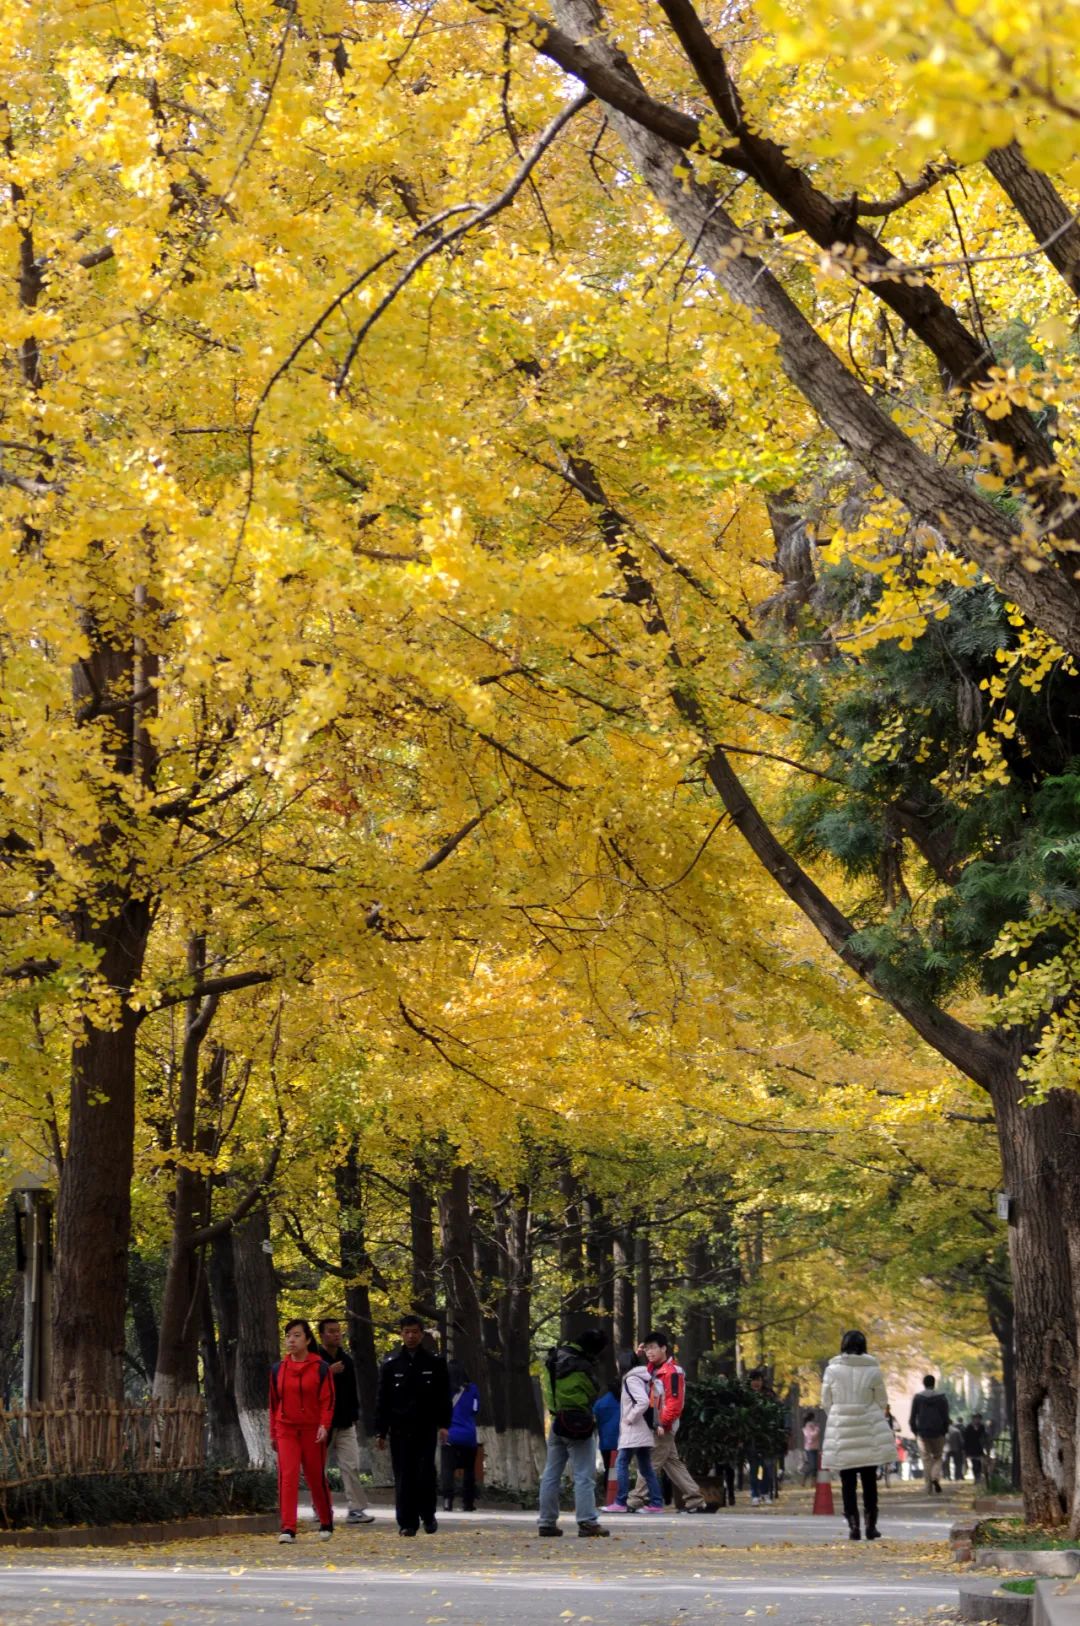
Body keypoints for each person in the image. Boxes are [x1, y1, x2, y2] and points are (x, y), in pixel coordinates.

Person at [374, 1314, 452, 1537]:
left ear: (421, 1334)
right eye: (407, 1332)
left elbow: (442, 1397)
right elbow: (383, 1400)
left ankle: (428, 1515)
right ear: (401, 1333)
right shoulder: (391, 1364)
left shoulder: (434, 1362)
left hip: (425, 1427)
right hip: (399, 1429)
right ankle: (407, 1522)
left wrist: (444, 1425)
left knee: (425, 1473)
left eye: (415, 1332)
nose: (411, 1336)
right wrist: (380, 1430)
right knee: (404, 1475)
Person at [820, 1329, 898, 1541]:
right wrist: (870, 1412)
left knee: (847, 1482)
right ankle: (871, 1526)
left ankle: (853, 1527)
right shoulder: (873, 1370)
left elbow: (825, 1401)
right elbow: (882, 1401)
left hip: (842, 1427)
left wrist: (837, 1414)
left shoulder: (832, 1370)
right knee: (869, 1481)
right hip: (868, 1427)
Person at [537, 1327, 610, 1538]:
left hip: (557, 1421)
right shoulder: (581, 1365)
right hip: (579, 1424)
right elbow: (591, 1390)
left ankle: (546, 1522)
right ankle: (587, 1521)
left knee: (551, 1474)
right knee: (584, 1476)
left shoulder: (553, 1358)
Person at [627, 1331, 711, 1513]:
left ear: (664, 1348)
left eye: (653, 1348)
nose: (649, 1352)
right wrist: (637, 1356)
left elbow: (674, 1403)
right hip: (656, 1425)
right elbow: (632, 1375)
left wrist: (662, 1424)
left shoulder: (672, 1372)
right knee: (673, 1463)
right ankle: (695, 1500)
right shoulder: (651, 1369)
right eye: (647, 1348)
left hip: (663, 1426)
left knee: (649, 1462)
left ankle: (635, 1500)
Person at [269, 1318, 336, 1544]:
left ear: (307, 1339)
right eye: (288, 1336)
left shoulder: (321, 1368)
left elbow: (328, 1401)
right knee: (287, 1476)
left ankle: (326, 1520)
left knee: (315, 1476)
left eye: (297, 1335)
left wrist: (324, 1426)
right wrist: (272, 1433)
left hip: (312, 1430)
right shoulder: (278, 1369)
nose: (291, 1340)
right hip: (285, 1428)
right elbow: (273, 1403)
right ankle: (288, 1527)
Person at [317, 1317, 375, 1526]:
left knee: (351, 1466)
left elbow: (351, 1392)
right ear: (321, 1335)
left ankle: (356, 1509)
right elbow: (309, 1388)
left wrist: (354, 1417)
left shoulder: (347, 1360)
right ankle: (320, 1507)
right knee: (318, 1468)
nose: (336, 1335)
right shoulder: (315, 1360)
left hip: (345, 1423)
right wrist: (327, 1373)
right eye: (331, 1331)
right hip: (322, 1425)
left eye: (338, 1331)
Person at [603, 1349, 664, 1514]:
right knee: (646, 1468)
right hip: (643, 1428)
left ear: (622, 1363)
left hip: (634, 1429)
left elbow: (643, 1402)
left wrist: (629, 1418)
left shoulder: (631, 1379)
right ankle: (657, 1504)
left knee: (621, 1463)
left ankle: (620, 1502)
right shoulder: (644, 1377)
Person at [441, 1360, 480, 1511]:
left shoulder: (443, 1390)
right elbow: (476, 1409)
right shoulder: (473, 1389)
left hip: (449, 1435)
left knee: (447, 1469)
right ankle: (468, 1503)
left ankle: (447, 1501)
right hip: (469, 1436)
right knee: (469, 1469)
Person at [910, 1375, 950, 1495]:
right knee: (937, 1457)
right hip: (938, 1432)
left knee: (926, 1459)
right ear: (934, 1383)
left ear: (924, 1383)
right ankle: (935, 1477)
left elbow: (912, 1417)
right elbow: (945, 1417)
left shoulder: (918, 1398)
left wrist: (915, 1431)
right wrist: (944, 1430)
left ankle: (928, 1488)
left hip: (922, 1433)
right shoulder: (942, 1398)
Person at [747, 1369, 777, 1505]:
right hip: (751, 1436)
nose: (756, 1383)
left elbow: (777, 1413)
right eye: (754, 1380)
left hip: (768, 1436)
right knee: (753, 1467)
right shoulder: (745, 1396)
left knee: (767, 1467)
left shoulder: (769, 1394)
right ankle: (755, 1494)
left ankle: (765, 1492)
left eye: (758, 1380)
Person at [593, 1380, 621, 1498]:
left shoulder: (600, 1403)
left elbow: (594, 1419)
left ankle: (608, 1495)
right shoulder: (623, 1402)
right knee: (620, 1468)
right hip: (621, 1441)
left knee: (608, 1469)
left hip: (605, 1442)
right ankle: (619, 1495)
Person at [963, 1414, 989, 1483]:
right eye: (976, 1419)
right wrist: (965, 1450)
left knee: (979, 1463)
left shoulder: (982, 1427)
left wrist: (986, 1446)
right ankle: (976, 1477)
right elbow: (965, 1439)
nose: (977, 1420)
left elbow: (984, 1437)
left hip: (979, 1448)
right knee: (974, 1463)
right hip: (971, 1448)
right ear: (973, 1419)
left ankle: (978, 1476)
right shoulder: (969, 1427)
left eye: (979, 1419)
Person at [802, 1410, 822, 1486]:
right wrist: (817, 1430)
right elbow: (811, 1436)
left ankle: (813, 1482)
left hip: (814, 1447)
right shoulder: (809, 1425)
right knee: (812, 1466)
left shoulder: (811, 1425)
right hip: (810, 1448)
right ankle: (806, 1480)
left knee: (814, 1466)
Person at [945, 1418, 966, 1483]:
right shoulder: (956, 1431)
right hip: (956, 1448)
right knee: (957, 1463)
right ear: (952, 1423)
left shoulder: (942, 1430)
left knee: (946, 1463)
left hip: (945, 1449)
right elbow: (961, 1441)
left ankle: (947, 1476)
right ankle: (957, 1476)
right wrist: (962, 1448)